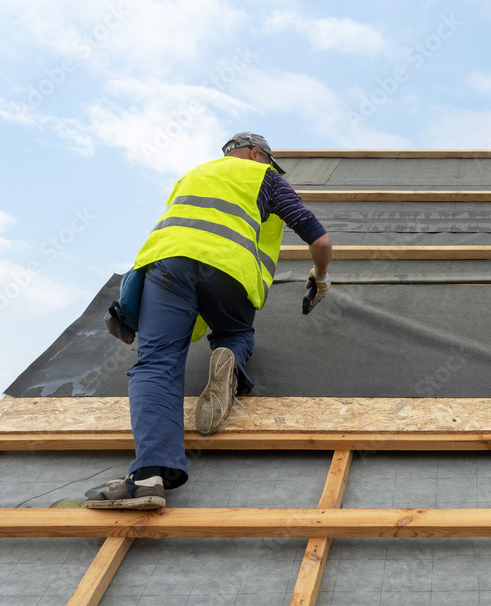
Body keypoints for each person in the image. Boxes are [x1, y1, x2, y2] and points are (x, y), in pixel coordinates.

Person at [84, 132, 332, 510]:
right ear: (255, 153)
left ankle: (148, 477)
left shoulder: (192, 174)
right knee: (236, 330)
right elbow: (319, 240)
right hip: (230, 271)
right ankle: (229, 357)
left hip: (169, 265)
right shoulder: (265, 178)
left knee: (155, 364)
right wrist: (320, 277)